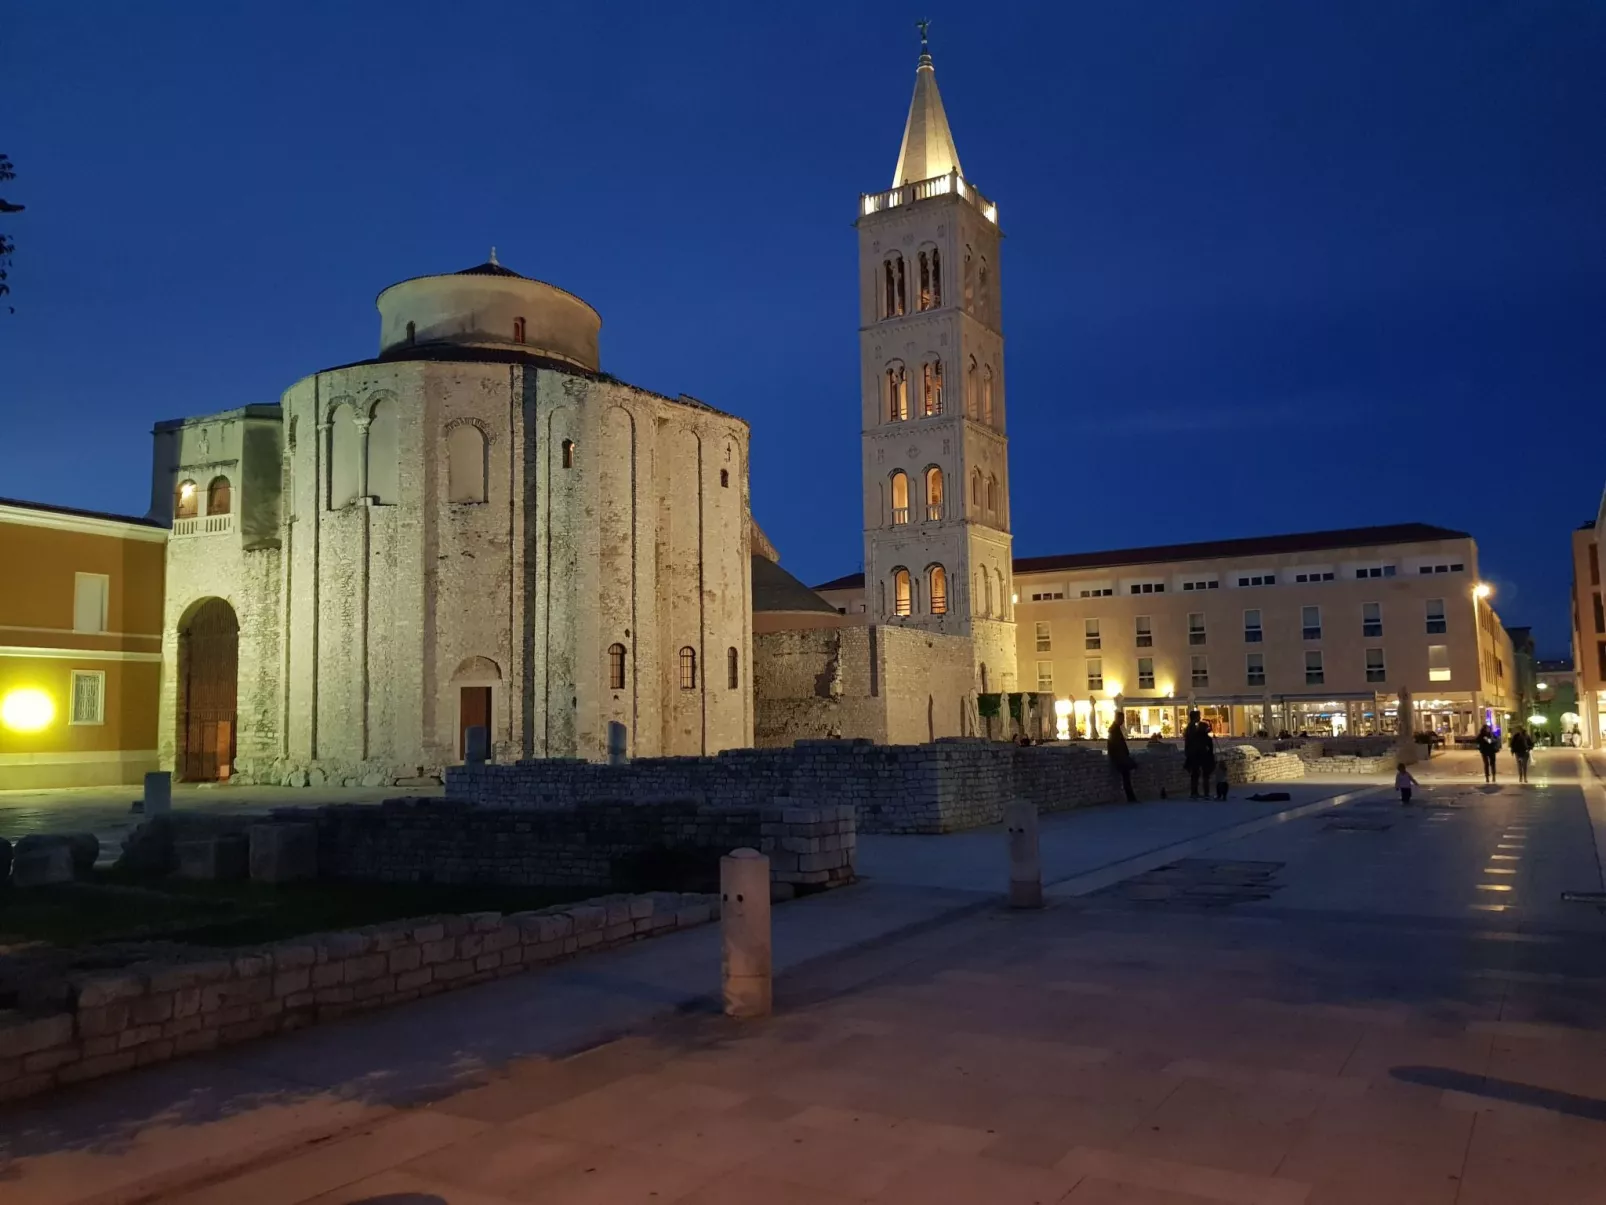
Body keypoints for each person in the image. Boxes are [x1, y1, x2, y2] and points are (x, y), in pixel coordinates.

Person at [1183, 710, 1216, 799]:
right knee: (1196, 773)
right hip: (1195, 753)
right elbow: (1196, 739)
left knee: (1196, 773)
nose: (1200, 717)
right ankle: (1195, 792)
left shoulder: (1191, 726)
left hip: (1195, 752)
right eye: (1198, 716)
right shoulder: (1192, 727)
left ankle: (1196, 792)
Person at [1106, 712, 1138, 803]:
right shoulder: (1114, 730)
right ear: (1117, 718)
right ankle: (1131, 798)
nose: (1123, 721)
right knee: (1126, 777)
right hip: (1120, 757)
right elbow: (1115, 745)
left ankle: (1131, 797)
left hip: (1120, 757)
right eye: (1122, 719)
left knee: (1126, 777)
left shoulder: (1115, 729)